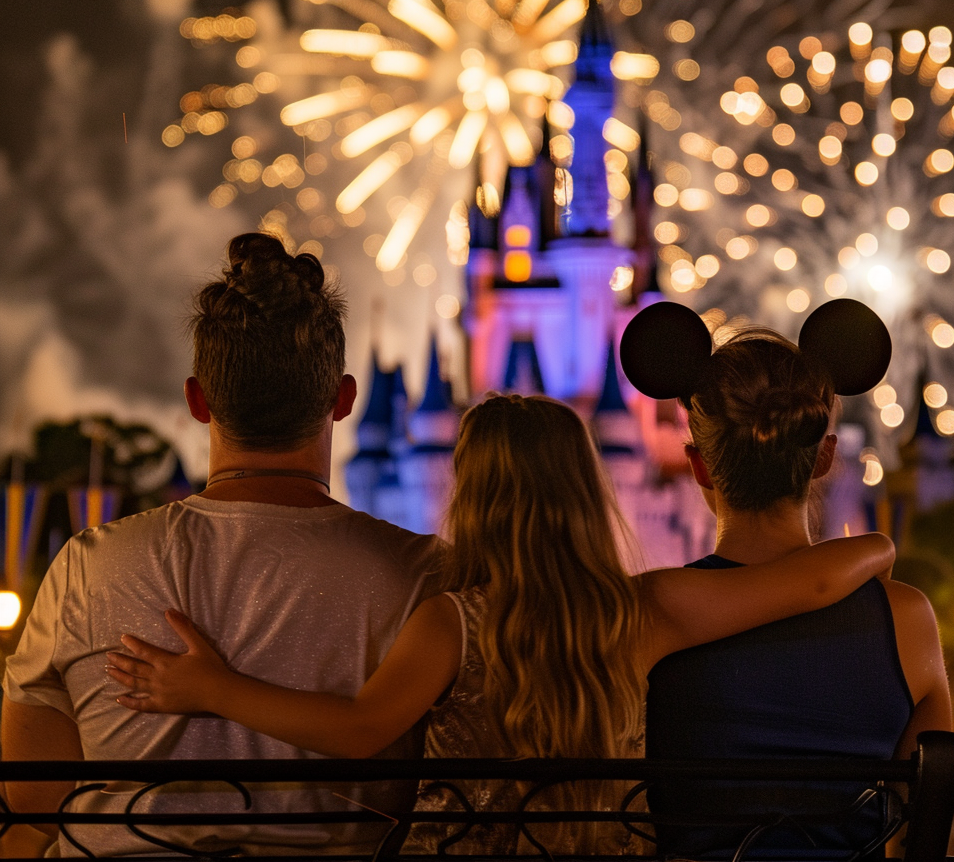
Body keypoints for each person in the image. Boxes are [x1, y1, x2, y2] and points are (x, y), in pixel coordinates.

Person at [105, 392, 894, 856]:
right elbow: (823, 574)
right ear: (586, 487)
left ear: (471, 493)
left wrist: (212, 686)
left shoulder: (453, 623)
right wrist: (883, 542)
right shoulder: (645, 611)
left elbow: (355, 728)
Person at [1, 233, 439, 857]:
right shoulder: (423, 573)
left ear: (198, 400)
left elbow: (34, 799)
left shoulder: (89, 566)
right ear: (342, 400)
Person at [619, 301, 951, 860]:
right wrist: (876, 548)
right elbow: (931, 809)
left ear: (700, 465)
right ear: (825, 457)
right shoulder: (907, 618)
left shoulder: (650, 609)